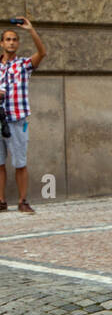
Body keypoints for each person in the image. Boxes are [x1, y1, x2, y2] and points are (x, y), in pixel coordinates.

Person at [0, 18, 47, 214]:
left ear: (17, 43)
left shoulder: (23, 64)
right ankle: (1, 201)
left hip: (17, 120)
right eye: (7, 39)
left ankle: (22, 201)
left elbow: (42, 53)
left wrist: (31, 30)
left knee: (20, 163)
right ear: (2, 43)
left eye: (14, 39)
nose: (11, 42)